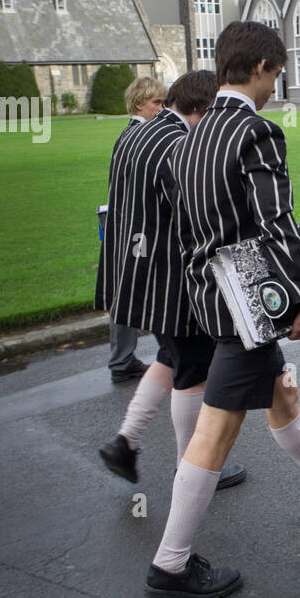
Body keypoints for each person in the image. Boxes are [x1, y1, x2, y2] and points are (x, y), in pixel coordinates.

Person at [144, 22, 300, 598]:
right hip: (248, 305)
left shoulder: (186, 137)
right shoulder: (256, 133)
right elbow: (275, 224)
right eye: (275, 73)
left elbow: (191, 231)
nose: (276, 85)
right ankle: (170, 564)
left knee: (280, 395)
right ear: (259, 68)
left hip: (212, 297)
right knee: (217, 429)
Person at [95, 70, 245, 491]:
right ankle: (192, 470)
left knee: (170, 358)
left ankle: (125, 441)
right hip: (169, 279)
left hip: (135, 270)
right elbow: (196, 214)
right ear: (198, 110)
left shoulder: (135, 133)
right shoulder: (178, 143)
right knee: (192, 372)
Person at [105, 77, 166, 383]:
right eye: (157, 102)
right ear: (139, 103)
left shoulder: (126, 135)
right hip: (138, 227)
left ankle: (123, 359)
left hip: (124, 223)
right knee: (150, 289)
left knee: (127, 290)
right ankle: (170, 354)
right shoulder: (144, 136)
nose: (162, 108)